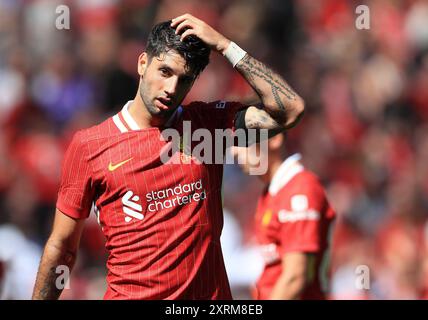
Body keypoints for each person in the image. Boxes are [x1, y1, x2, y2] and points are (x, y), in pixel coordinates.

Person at [32, 14, 305, 300]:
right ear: (142, 64)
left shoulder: (208, 126)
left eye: (184, 80)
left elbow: (291, 109)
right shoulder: (89, 146)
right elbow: (62, 247)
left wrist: (226, 46)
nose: (172, 89)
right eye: (165, 72)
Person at [232, 133, 335, 299]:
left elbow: (294, 278)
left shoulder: (300, 190)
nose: (235, 151)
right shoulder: (273, 191)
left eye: (244, 141)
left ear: (274, 139)